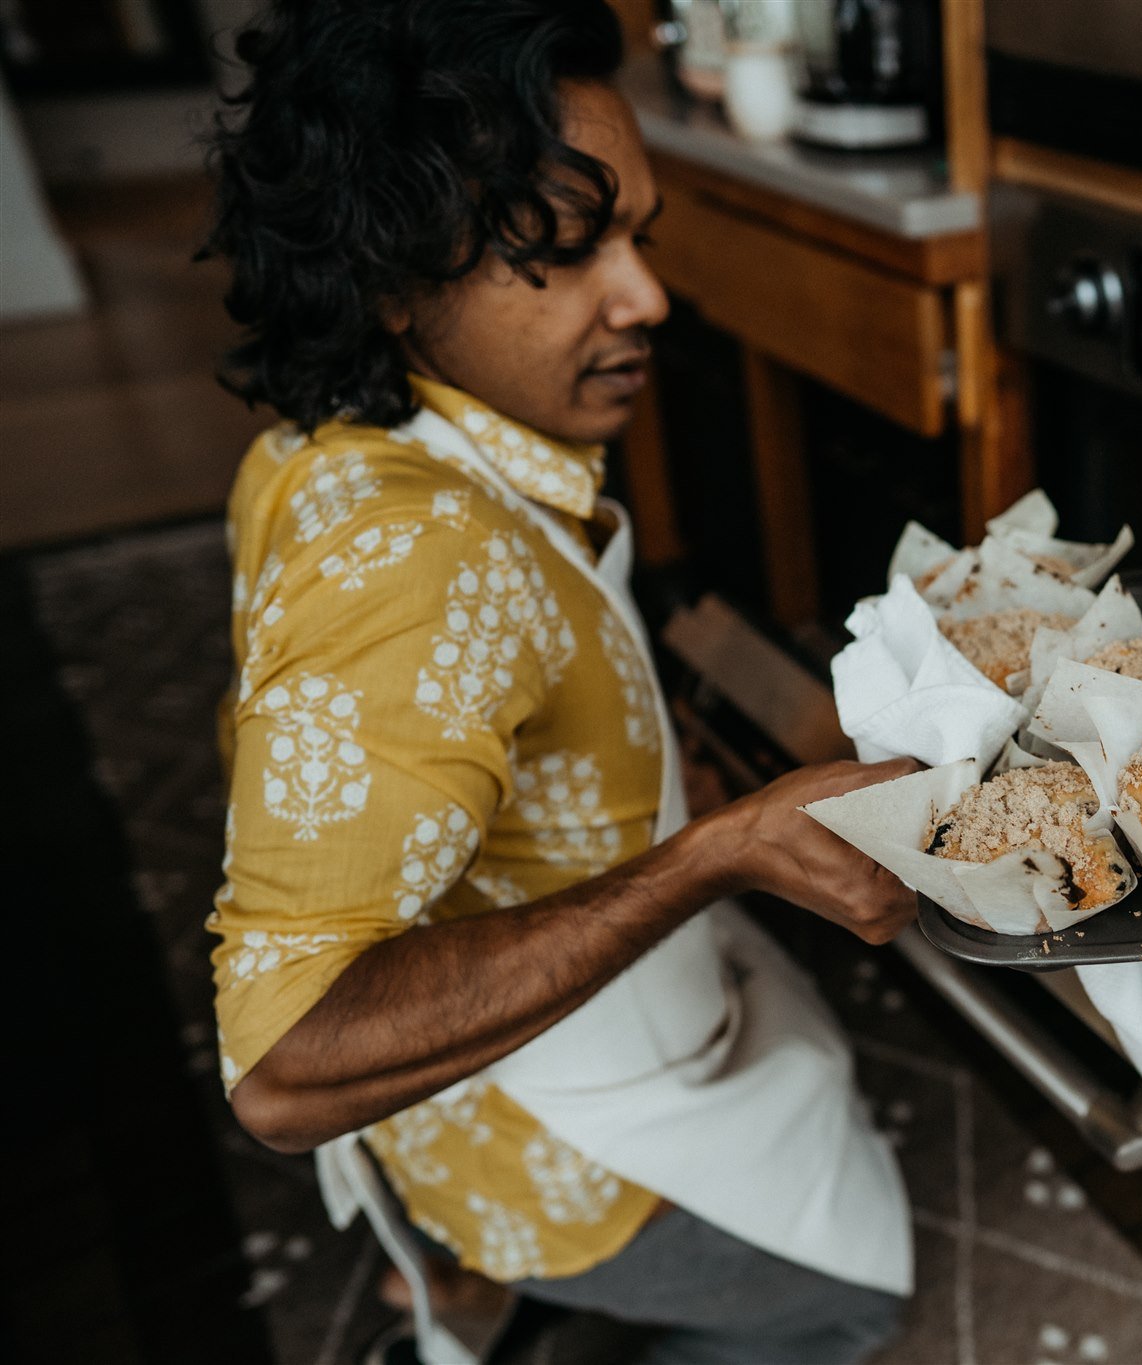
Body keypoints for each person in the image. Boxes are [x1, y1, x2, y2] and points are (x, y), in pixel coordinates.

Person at [200, 3, 920, 1361]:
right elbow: (285, 1065)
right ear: (391, 280)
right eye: (568, 245)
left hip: (550, 1047)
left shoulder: (326, 438)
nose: (646, 295)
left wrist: (662, 792)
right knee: (850, 1297)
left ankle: (470, 1290)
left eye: (640, 234)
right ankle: (510, 1300)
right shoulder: (411, 557)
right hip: (534, 1140)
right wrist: (708, 853)